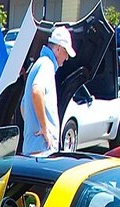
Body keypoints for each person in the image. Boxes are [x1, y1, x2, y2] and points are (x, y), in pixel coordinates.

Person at [20, 26, 75, 156]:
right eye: (66, 52)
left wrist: (33, 126)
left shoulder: (39, 64)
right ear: (58, 48)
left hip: (31, 147)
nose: (66, 58)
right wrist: (44, 129)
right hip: (42, 150)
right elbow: (36, 91)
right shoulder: (47, 64)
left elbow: (23, 106)